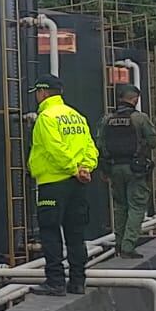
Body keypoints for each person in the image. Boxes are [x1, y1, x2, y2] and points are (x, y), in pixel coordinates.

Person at [27, 76, 98, 297]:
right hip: (78, 184)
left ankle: (55, 281)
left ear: (42, 92)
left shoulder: (46, 117)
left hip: (53, 182)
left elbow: (54, 148)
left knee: (50, 232)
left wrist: (72, 168)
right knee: (76, 233)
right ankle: (78, 281)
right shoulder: (76, 116)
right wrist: (85, 168)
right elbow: (90, 147)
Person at [99, 83, 156, 260]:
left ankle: (118, 244)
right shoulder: (140, 119)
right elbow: (154, 142)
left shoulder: (107, 119)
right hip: (136, 169)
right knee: (137, 206)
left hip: (114, 168)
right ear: (135, 99)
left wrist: (104, 169)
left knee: (120, 207)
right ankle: (128, 246)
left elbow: (100, 145)